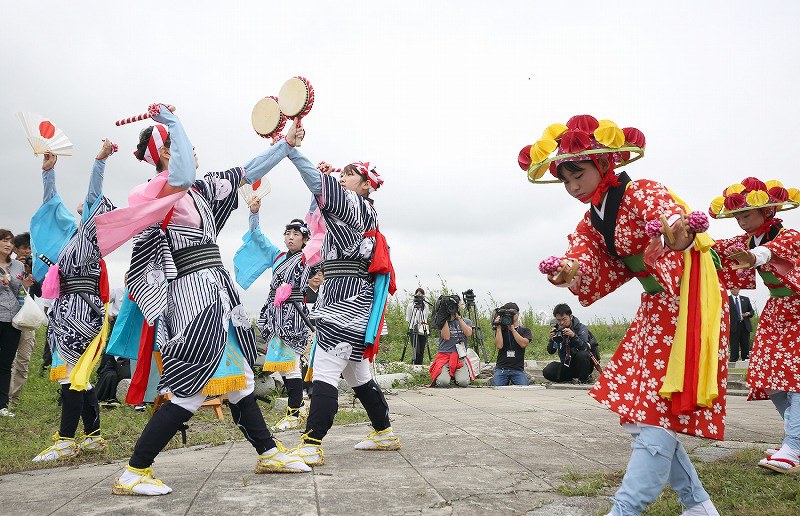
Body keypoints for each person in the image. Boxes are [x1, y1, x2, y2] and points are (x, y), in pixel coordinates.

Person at [94, 105, 311, 495]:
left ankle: (267, 452)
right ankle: (134, 471)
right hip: (191, 298)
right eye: (181, 144)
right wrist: (172, 121)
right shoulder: (153, 190)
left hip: (217, 291)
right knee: (190, 390)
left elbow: (247, 171)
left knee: (240, 379)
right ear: (165, 152)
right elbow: (179, 175)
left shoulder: (202, 188)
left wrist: (285, 145)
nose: (192, 150)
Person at [524, 115, 725, 515]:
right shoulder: (592, 220)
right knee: (644, 415)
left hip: (688, 307)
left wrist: (679, 234)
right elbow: (585, 257)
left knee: (654, 416)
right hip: (657, 311)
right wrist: (569, 270)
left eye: (578, 174)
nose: (572, 186)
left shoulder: (642, 191)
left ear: (604, 163)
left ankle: (626, 509)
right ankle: (698, 507)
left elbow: (672, 221)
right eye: (565, 180)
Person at [263, 147, 399, 465]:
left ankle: (312, 443)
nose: (343, 177)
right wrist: (324, 180)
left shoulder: (353, 204)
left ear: (365, 184)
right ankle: (384, 432)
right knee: (358, 376)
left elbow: (318, 186)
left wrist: (292, 151)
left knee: (324, 371)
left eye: (349, 175)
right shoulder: (363, 212)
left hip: (344, 305)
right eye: (343, 174)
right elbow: (320, 207)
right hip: (354, 302)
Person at [31, 141, 117, 462]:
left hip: (80, 315)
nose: (85, 205)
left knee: (72, 376)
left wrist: (99, 162)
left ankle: (66, 441)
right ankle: (93, 438)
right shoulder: (73, 236)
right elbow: (51, 206)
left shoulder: (92, 236)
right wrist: (49, 172)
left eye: (92, 207)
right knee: (81, 378)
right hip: (71, 311)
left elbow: (94, 194)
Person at [709, 178, 800, 473]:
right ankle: (794, 438)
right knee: (768, 377)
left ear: (767, 211)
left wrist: (753, 257)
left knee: (796, 378)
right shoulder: (746, 241)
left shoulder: (790, 236)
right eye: (737, 217)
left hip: (798, 308)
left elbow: (770, 251)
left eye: (746, 215)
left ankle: (794, 445)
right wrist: (686, 240)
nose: (741, 222)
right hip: (778, 310)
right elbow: (715, 250)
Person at [238, 196, 314, 433]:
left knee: (290, 365)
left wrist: (316, 200)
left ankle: (295, 412)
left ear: (305, 239)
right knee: (282, 365)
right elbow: (257, 237)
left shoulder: (307, 257)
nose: (290, 237)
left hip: (294, 314)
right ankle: (299, 407)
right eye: (287, 233)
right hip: (275, 313)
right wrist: (254, 213)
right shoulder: (278, 256)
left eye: (296, 234)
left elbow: (317, 228)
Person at [0, 229, 35, 417]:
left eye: (10, 241)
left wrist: (25, 286)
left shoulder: (17, 266)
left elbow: (18, 292)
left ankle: (3, 406)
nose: (8, 244)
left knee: (6, 364)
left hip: (13, 319)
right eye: (4, 241)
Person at [9, 232, 40, 408]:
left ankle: (13, 400)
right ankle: (4, 399)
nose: (27, 252)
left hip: (27, 320)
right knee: (8, 360)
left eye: (30, 248)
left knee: (23, 361)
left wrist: (31, 272)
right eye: (24, 248)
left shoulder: (33, 267)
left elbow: (41, 292)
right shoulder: (9, 266)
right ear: (15, 249)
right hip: (9, 317)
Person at [429, 295, 473, 387]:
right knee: (443, 382)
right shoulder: (442, 321)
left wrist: (458, 318)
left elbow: (468, 333)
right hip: (444, 356)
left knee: (463, 382)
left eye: (458, 304)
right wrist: (444, 316)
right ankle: (444, 375)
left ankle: (455, 377)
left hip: (460, 357)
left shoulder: (466, 321)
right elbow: (446, 337)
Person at [542, 303, 593, 384]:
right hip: (567, 365)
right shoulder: (557, 330)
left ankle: (583, 380)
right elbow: (551, 351)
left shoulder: (580, 328)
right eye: (559, 320)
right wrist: (552, 340)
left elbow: (584, 348)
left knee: (582, 354)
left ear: (570, 316)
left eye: (564, 319)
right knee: (548, 371)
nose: (561, 323)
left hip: (582, 366)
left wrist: (573, 336)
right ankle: (569, 379)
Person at [491, 302, 532, 386]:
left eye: (512, 314)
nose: (510, 316)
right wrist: (498, 328)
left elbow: (523, 344)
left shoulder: (525, 330)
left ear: (518, 314)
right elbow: (499, 346)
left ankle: (525, 378)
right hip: (502, 368)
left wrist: (512, 329)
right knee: (496, 387)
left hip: (517, 369)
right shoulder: (501, 330)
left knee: (524, 387)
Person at [727, 288, 753, 362]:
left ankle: (745, 360)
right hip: (733, 326)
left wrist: (748, 313)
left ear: (739, 289)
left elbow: (752, 311)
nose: (734, 290)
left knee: (745, 344)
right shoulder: (727, 299)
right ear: (730, 290)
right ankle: (733, 361)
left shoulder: (745, 299)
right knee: (734, 345)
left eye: (736, 288)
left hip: (744, 325)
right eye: (732, 289)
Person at [405, 288, 430, 365]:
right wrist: (414, 324)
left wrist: (421, 324)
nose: (420, 296)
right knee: (416, 350)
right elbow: (408, 317)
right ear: (415, 294)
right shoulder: (411, 305)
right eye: (418, 294)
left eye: (421, 294)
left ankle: (420, 366)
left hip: (423, 329)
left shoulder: (425, 306)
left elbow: (426, 316)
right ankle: (414, 365)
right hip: (413, 328)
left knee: (422, 350)